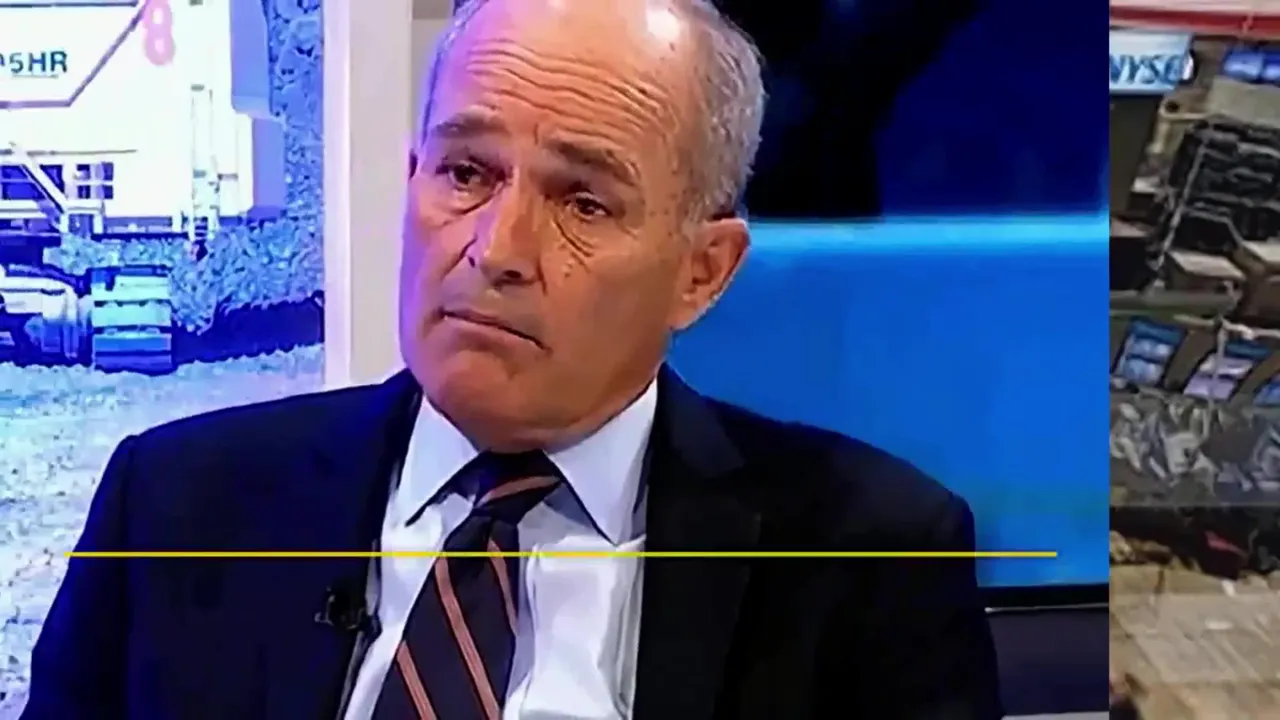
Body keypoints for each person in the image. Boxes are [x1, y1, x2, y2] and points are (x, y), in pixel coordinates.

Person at [22, 0, 1001, 717]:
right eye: (464, 172)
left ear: (701, 272)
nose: (495, 250)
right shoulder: (175, 508)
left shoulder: (869, 562)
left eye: (584, 202)